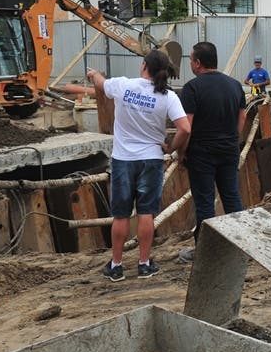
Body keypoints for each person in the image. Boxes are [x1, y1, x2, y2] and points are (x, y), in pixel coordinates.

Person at [83, 51, 189, 282]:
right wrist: (171, 148)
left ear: (143, 66)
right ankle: (144, 264)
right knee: (146, 213)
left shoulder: (124, 85)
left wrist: (94, 74)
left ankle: (116, 265)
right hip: (151, 159)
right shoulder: (168, 96)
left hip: (123, 159)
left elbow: (101, 83)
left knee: (120, 215)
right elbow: (185, 128)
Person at [176, 42, 247, 261]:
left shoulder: (192, 88)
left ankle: (206, 253)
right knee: (232, 197)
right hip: (229, 150)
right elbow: (242, 116)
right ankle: (242, 246)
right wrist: (232, 139)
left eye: (191, 60)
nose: (190, 63)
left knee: (205, 202)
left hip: (201, 153)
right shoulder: (235, 85)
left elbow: (186, 126)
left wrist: (181, 152)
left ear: (198, 63)